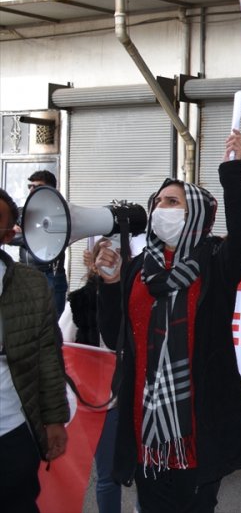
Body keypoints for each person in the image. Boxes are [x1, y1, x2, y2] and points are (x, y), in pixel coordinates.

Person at [97, 130, 241, 512]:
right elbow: (114, 335)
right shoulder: (138, 269)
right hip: (144, 430)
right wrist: (109, 287)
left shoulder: (216, 262)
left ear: (196, 215)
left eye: (173, 201)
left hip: (199, 427)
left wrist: (233, 172)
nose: (160, 207)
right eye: (158, 201)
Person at [0, 188, 69, 512]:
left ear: (8, 232)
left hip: (12, 433)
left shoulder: (31, 285)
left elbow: (47, 356)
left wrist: (54, 419)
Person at [69, 237, 125, 513]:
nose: (109, 260)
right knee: (109, 475)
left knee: (136, 471)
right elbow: (65, 347)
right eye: (104, 254)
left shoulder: (138, 293)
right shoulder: (79, 301)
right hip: (104, 402)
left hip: (129, 396)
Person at [13, 170, 70, 318]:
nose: (32, 190)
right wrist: (28, 235)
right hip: (25, 273)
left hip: (50, 274)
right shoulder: (21, 211)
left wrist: (24, 233)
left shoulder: (59, 212)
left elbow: (52, 238)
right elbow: (8, 235)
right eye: (30, 186)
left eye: (37, 187)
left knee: (48, 324)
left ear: (49, 189)